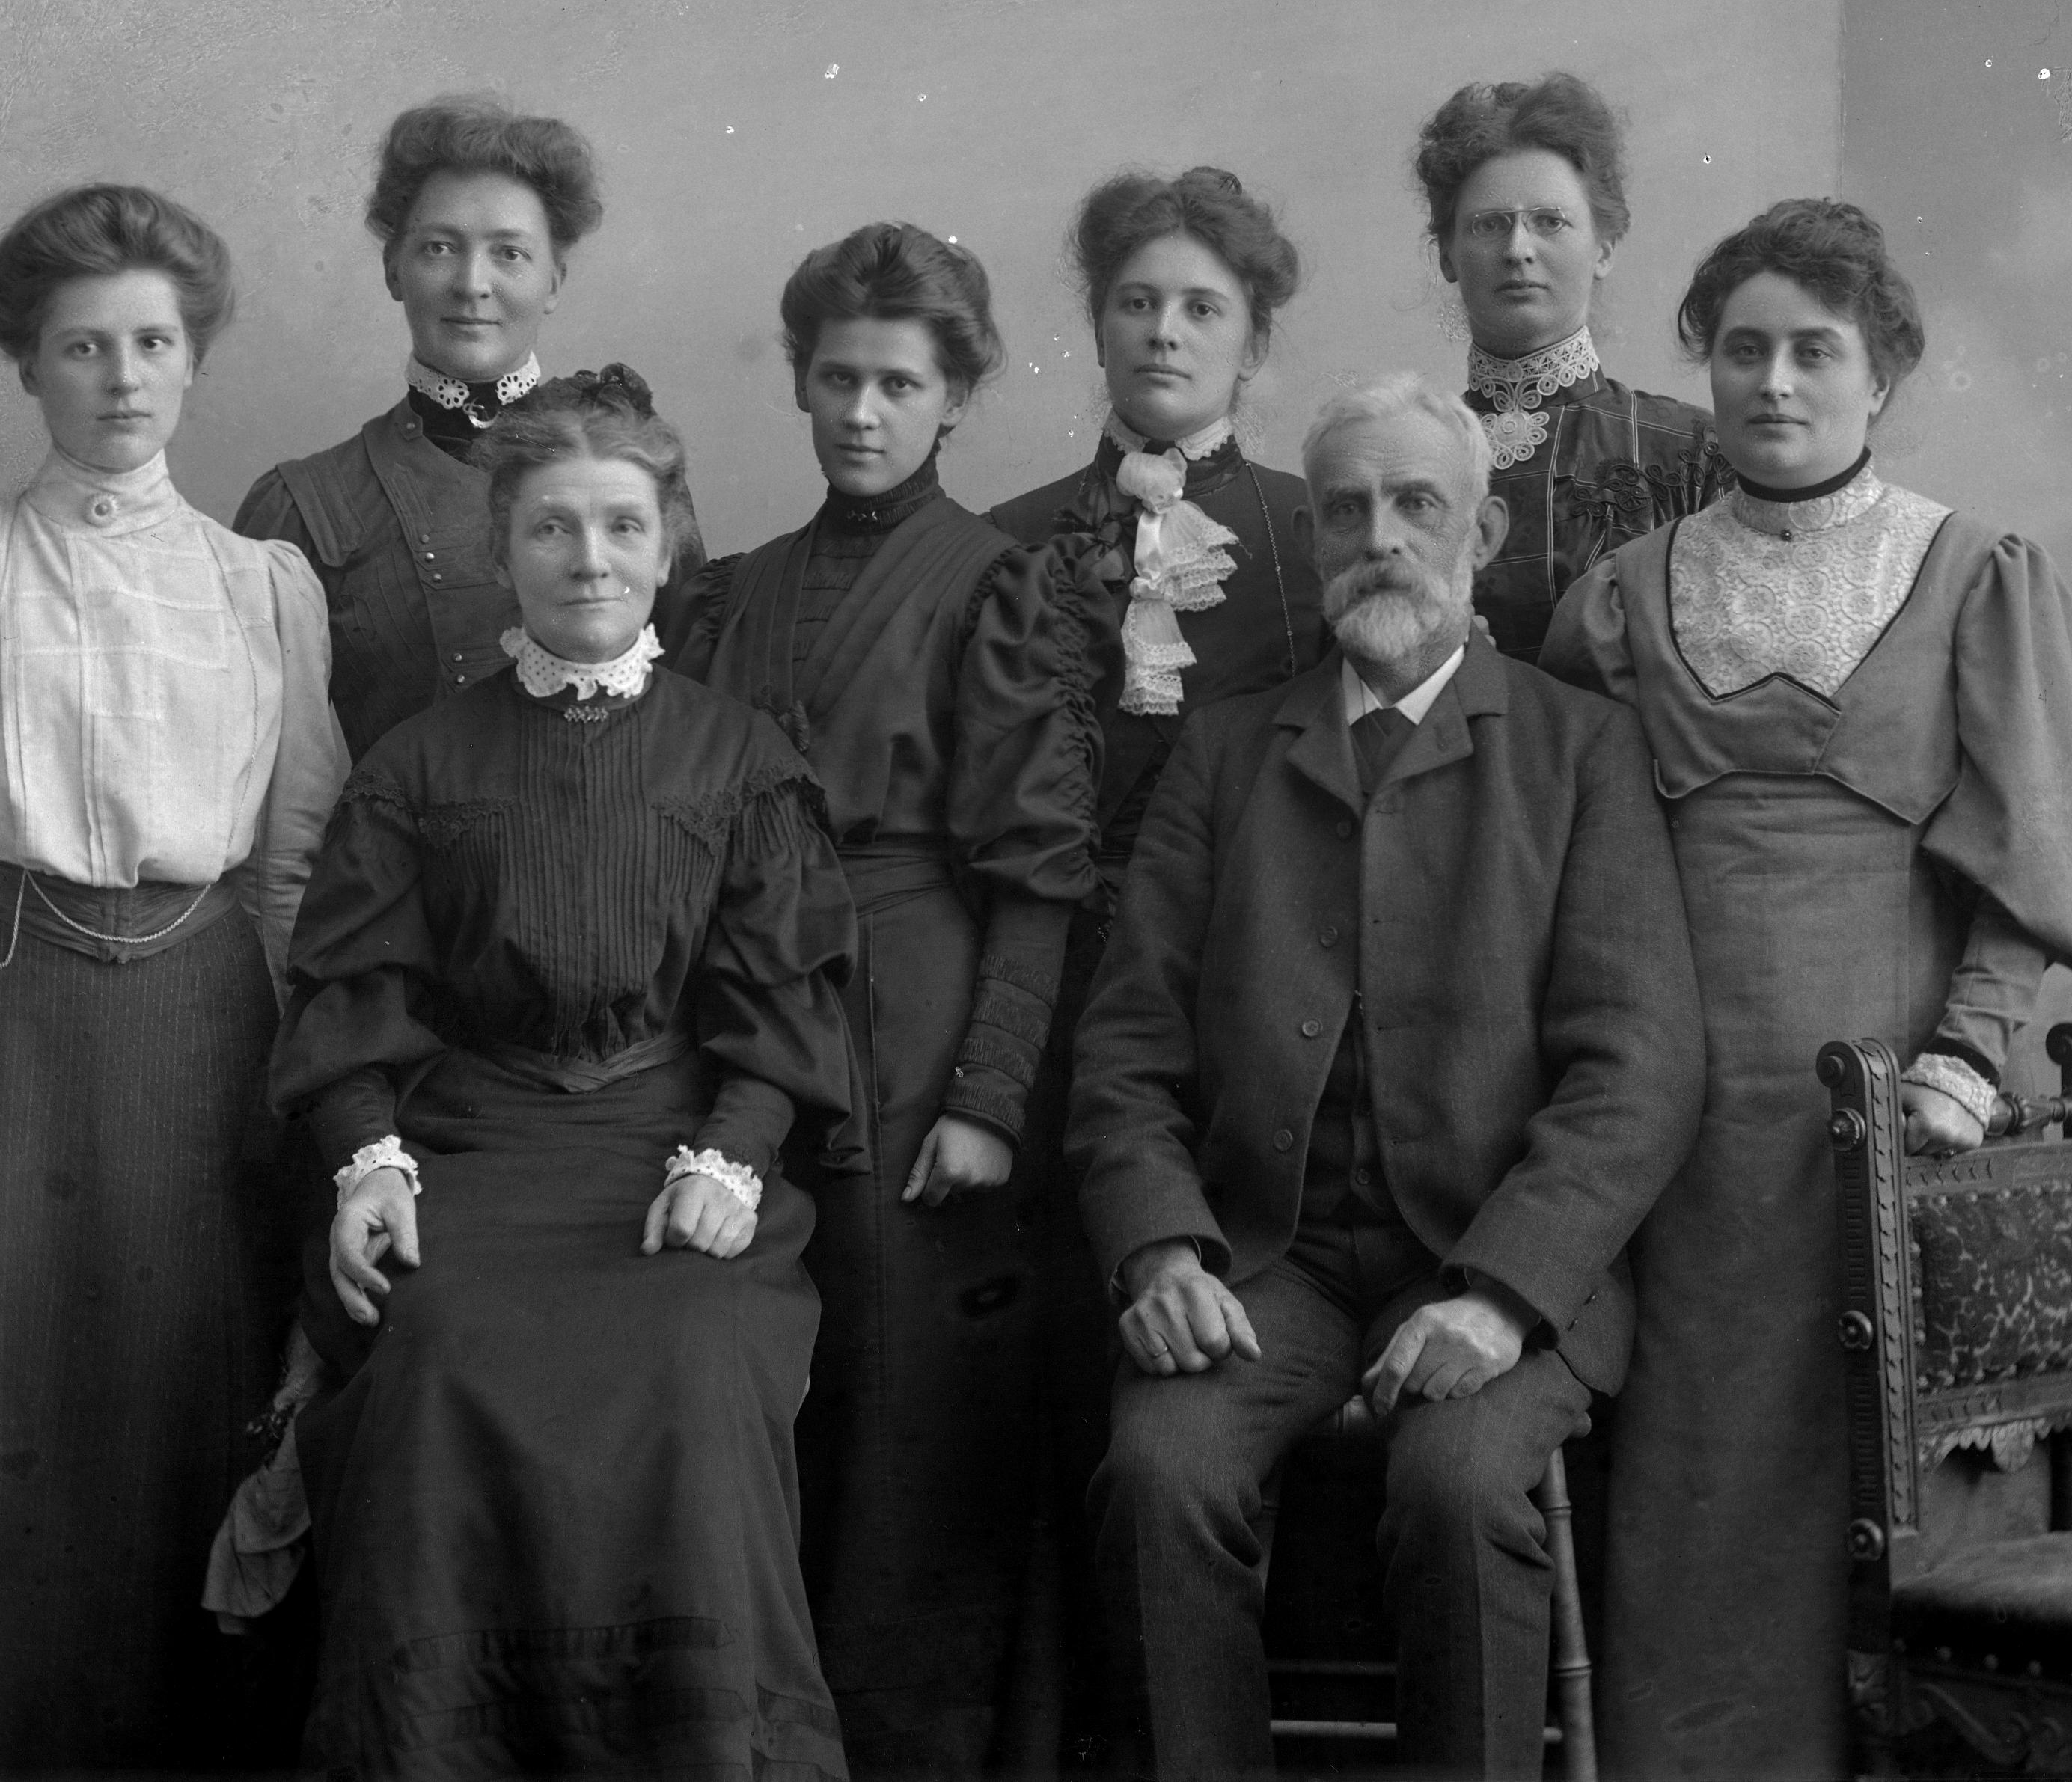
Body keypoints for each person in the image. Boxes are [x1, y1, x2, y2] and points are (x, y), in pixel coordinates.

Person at [1538, 199, 2072, 1777]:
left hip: (1896, 1124)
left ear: (1881, 374)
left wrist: (1966, 1060)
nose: (1774, 381)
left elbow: (2025, 858)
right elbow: (1559, 864)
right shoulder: (1625, 591)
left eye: (1815, 351)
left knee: (1901, 1493)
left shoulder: (1970, 571)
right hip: (1679, 1139)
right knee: (1693, 1476)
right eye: (1742, 349)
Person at [1066, 372, 1708, 1781]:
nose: (1382, 539)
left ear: (1481, 535)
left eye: (1418, 505)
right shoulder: (1226, 750)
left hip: (1489, 1255)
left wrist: (1503, 1293)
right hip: (1268, 1256)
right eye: (1347, 510)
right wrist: (1160, 1248)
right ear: (1313, 541)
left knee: (1457, 1484)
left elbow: (1639, 1068)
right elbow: (1125, 1045)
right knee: (1161, 1474)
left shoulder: (1580, 749)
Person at [0, 183, 345, 1772]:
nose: (122, 377)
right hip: (2, 1022)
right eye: (82, 345)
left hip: (209, 1027)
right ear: (28, 365)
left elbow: (296, 874)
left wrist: (315, 1092)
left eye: (153, 342)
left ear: (195, 358)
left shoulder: (260, 588)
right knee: (2, 1408)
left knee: (200, 1400)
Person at [265, 374, 864, 1778]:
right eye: (551, 528)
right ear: (503, 547)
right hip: (470, 1146)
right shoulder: (420, 762)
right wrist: (365, 1161)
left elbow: (781, 998)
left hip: (672, 1143)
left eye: (620, 526)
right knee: (432, 1342)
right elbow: (355, 993)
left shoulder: (739, 759)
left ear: (668, 547)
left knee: (694, 1351)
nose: (588, 559)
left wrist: (735, 1154)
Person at [670, 224, 1103, 1774]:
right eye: (839, 378)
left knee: (910, 1417)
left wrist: (989, 1097)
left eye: (900, 384)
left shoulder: (995, 585)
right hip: (744, 1025)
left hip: (918, 1031)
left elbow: (1039, 878)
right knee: (764, 1400)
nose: (863, 412)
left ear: (956, 396)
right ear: (801, 381)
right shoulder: (735, 593)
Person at [985, 165, 1324, 1765]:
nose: (1165, 332)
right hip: (1049, 1001)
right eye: (1136, 301)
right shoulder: (1011, 541)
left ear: (1254, 336)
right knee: (1052, 1384)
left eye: (1202, 305)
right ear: (1097, 323)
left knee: (1206, 1375)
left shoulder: (1316, 534)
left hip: (1243, 1009)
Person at [236, 94, 665, 758]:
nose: (472, 284)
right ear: (393, 269)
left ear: (555, 280)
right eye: (439, 248)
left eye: (509, 254)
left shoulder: (632, 471)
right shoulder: (305, 507)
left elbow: (690, 719)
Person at [1414, 74, 1729, 661]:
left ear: (1603, 248)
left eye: (1550, 222)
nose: (1518, 249)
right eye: (1489, 224)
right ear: (1448, 256)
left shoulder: (1694, 454)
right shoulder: (1409, 457)